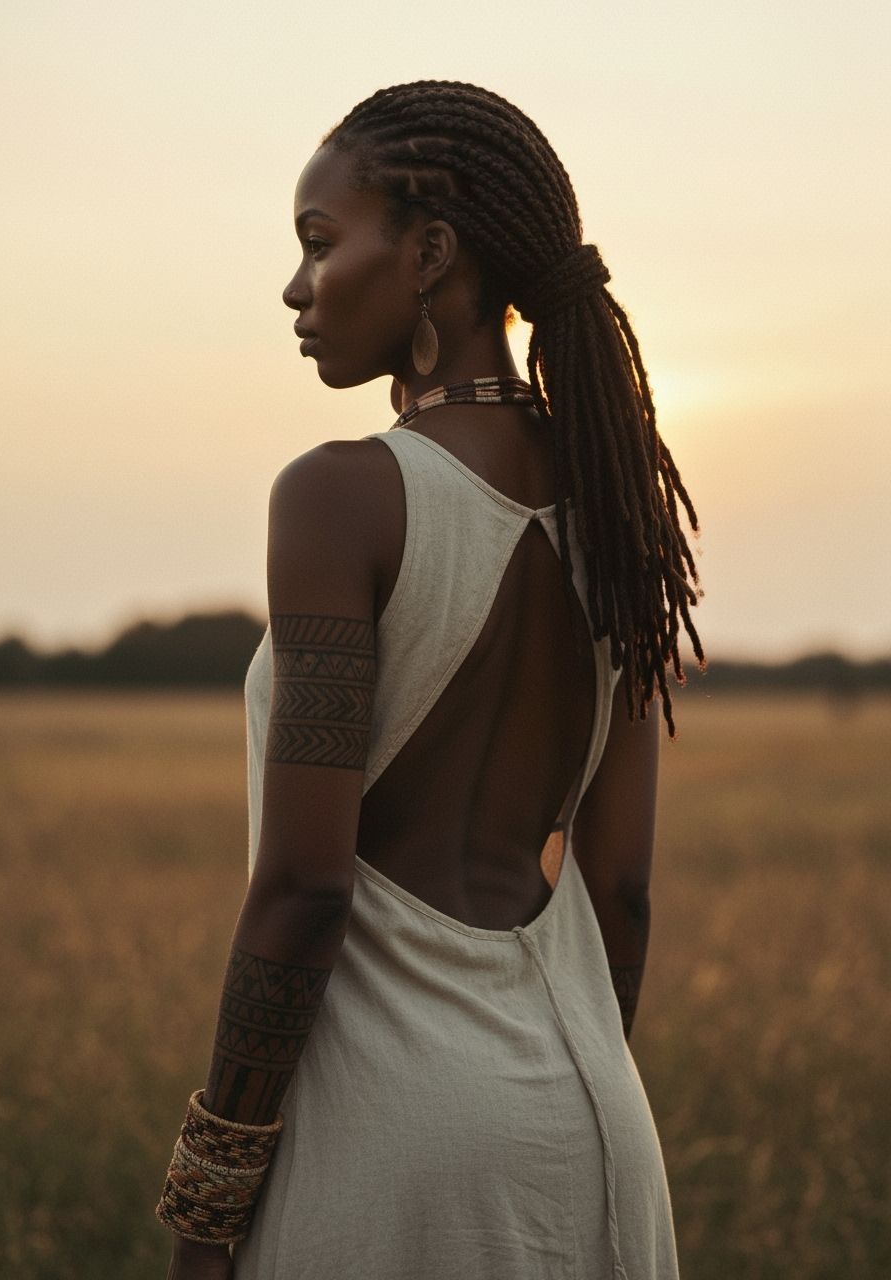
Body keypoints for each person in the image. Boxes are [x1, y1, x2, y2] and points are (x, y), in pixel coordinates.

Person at [155, 80, 704, 1280]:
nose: (296, 287)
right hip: (597, 1128)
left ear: (429, 255)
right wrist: (552, 1088)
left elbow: (304, 885)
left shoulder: (340, 493)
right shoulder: (616, 509)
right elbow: (619, 887)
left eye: (318, 241)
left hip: (393, 1140)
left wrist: (209, 1203)